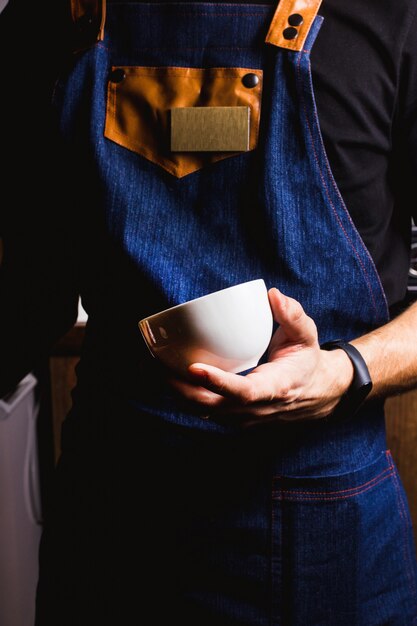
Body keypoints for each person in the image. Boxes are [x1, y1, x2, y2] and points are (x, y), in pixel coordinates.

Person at [1, 0, 417, 623]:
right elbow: (34, 290)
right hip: (108, 521)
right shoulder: (49, 20)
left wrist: (344, 371)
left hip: (322, 529)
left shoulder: (391, 16)